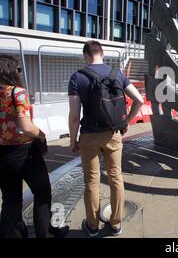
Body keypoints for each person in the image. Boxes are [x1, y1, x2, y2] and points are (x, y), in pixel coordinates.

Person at [0, 55, 69, 238]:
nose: (18, 72)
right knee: (42, 193)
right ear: (8, 71)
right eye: (17, 69)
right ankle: (46, 233)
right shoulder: (17, 93)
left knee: (11, 200)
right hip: (25, 154)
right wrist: (42, 135)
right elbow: (26, 127)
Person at [68, 41, 143, 237]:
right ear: (102, 53)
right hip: (113, 133)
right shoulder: (117, 73)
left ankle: (92, 226)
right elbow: (139, 100)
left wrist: (72, 139)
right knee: (116, 178)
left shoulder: (78, 77)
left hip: (89, 136)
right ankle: (116, 223)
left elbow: (74, 115)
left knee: (92, 181)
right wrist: (127, 120)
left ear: (86, 56)